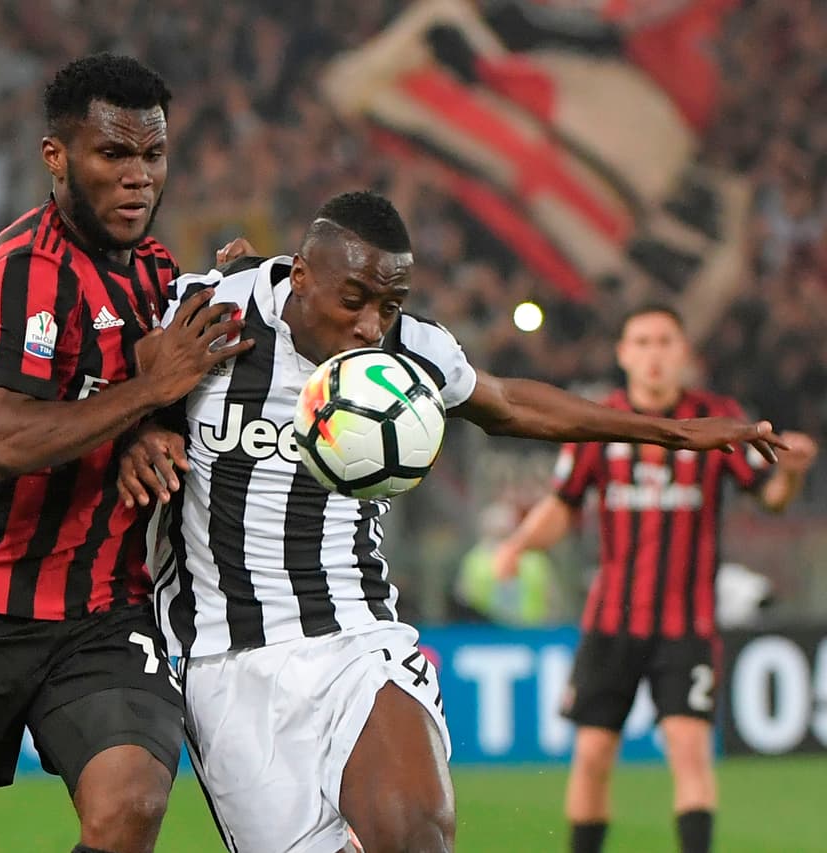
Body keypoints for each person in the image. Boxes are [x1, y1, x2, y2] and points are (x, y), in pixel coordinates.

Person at [115, 191, 787, 853]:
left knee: (418, 833)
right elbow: (111, 376)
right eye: (354, 300)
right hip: (226, 662)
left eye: (389, 305)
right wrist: (140, 427)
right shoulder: (210, 312)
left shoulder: (411, 349)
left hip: (356, 636)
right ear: (300, 276)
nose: (370, 326)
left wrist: (672, 432)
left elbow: (510, 403)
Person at [0, 54, 251, 853]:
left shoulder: (158, 273)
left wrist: (153, 420)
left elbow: (160, 393)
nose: (138, 176)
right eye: (114, 153)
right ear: (56, 157)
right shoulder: (27, 268)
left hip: (105, 612)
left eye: (153, 154)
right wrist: (141, 397)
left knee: (131, 802)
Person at [492, 304, 817, 853]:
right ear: (623, 354)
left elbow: (770, 499)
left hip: (687, 625)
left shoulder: (716, 419)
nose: (654, 354)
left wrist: (790, 474)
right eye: (641, 342)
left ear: (684, 353)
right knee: (592, 756)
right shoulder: (600, 421)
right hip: (611, 619)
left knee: (689, 750)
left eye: (665, 341)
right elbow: (565, 502)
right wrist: (518, 545)